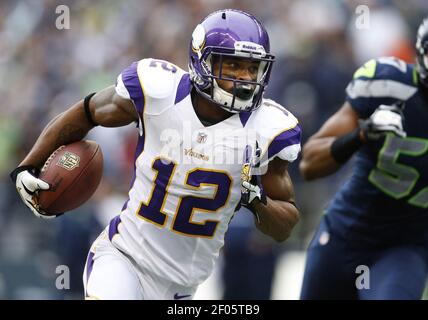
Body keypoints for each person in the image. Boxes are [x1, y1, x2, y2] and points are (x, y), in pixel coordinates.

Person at [10, 9, 302, 300]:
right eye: (234, 66)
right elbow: (86, 112)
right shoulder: (159, 91)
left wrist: (258, 202)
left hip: (183, 287)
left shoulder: (270, 128)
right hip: (124, 258)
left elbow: (284, 227)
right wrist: (28, 165)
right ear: (203, 61)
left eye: (252, 68)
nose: (245, 78)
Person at [299, 18, 428, 300]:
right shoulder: (388, 84)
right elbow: (309, 163)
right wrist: (360, 135)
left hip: (403, 250)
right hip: (344, 236)